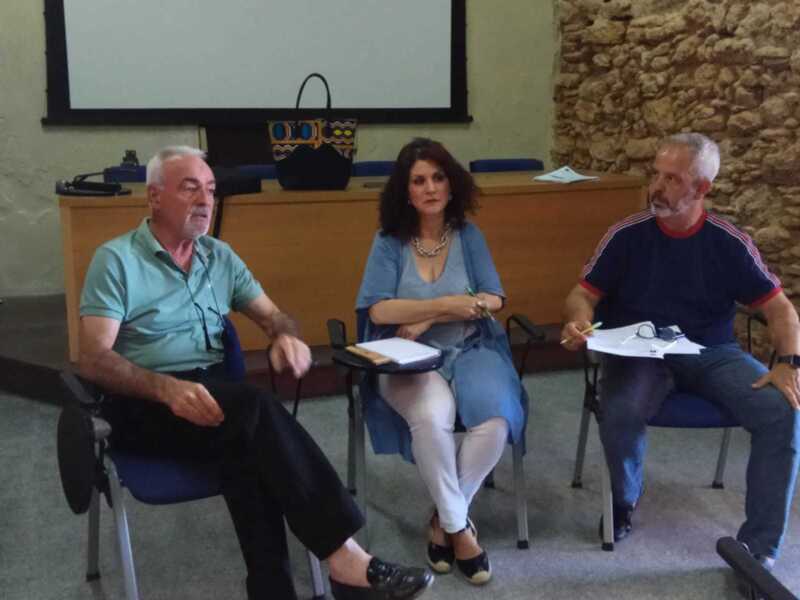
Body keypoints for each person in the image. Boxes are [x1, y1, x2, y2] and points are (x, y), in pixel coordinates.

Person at [77, 146, 433, 600]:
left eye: (211, 190)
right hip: (144, 401)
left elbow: (274, 316)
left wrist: (284, 336)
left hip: (215, 400)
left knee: (250, 450)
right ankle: (345, 558)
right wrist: (166, 389)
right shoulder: (117, 260)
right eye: (190, 189)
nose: (205, 201)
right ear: (154, 197)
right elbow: (94, 358)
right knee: (255, 412)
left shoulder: (219, 256)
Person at [560, 133, 800, 575]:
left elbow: (781, 309)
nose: (657, 186)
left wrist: (788, 365)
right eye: (656, 174)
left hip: (712, 352)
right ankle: (624, 499)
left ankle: (758, 548)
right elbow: (583, 294)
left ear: (702, 188)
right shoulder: (626, 235)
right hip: (639, 352)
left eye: (672, 179)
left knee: (780, 410)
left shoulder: (728, 241)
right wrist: (579, 320)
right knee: (621, 409)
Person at [355, 138, 528, 586]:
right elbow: (380, 310)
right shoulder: (389, 242)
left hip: (471, 346)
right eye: (419, 181)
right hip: (409, 356)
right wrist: (452, 304)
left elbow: (493, 299)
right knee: (433, 419)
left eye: (438, 178)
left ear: (452, 185)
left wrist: (433, 314)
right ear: (405, 190)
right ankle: (459, 530)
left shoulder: (469, 236)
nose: (430, 188)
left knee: (496, 419)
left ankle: (443, 519)